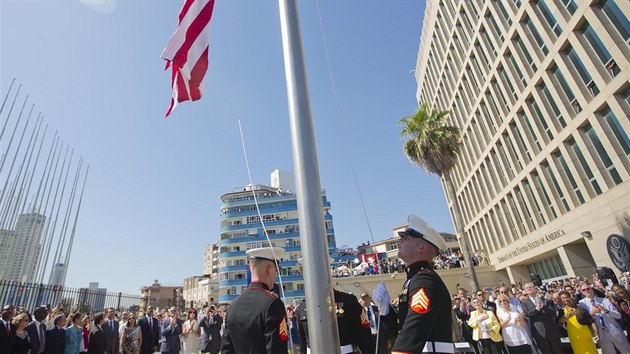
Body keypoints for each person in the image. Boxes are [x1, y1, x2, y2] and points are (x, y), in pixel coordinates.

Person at [391, 215, 453, 353]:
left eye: (406, 238)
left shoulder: (424, 280)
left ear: (422, 247)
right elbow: (403, 325)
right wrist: (386, 312)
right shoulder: (414, 278)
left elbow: (415, 328)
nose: (400, 240)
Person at [221, 247, 288, 353]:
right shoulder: (273, 304)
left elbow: (226, 350)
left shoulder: (233, 306)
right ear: (269, 269)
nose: (275, 275)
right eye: (275, 270)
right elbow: (277, 349)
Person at [578, 282, 630, 354]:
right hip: (601, 334)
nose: (587, 291)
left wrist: (605, 310)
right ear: (582, 292)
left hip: (614, 330)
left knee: (626, 351)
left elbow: (618, 316)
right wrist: (592, 313)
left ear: (591, 289)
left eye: (588, 288)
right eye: (584, 290)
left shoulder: (604, 300)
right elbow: (585, 320)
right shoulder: (582, 304)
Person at [520, 283, 561, 354]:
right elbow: (527, 314)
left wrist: (543, 306)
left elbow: (553, 313)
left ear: (534, 288)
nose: (529, 289)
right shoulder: (524, 303)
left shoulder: (545, 299)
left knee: (557, 350)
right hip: (539, 332)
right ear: (525, 291)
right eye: (527, 288)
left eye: (530, 287)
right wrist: (537, 309)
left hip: (551, 330)